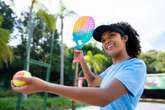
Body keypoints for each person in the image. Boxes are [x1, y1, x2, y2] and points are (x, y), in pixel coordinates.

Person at [11, 22, 146, 110]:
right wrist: (82, 60)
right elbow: (93, 82)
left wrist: (45, 86)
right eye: (103, 40)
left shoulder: (136, 65)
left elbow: (104, 96)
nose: (107, 41)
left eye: (112, 35)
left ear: (124, 38)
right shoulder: (111, 70)